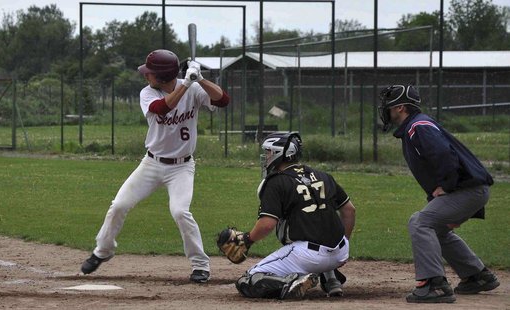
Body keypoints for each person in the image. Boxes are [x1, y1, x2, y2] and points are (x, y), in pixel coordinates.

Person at [80, 49, 230, 283]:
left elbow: (223, 100)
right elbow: (163, 108)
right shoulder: (147, 93)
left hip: (182, 167)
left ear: (161, 76)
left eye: (149, 73)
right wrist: (187, 84)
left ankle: (200, 265)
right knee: (119, 205)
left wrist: (200, 79)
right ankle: (103, 251)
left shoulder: (192, 86)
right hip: (151, 164)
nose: (145, 75)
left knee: (180, 212)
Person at [378, 84, 499, 303]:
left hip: (466, 190)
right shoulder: (416, 126)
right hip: (469, 190)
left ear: (401, 108)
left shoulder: (418, 127)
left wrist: (448, 186)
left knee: (420, 222)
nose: (386, 110)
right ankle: (476, 276)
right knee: (436, 229)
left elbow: (444, 155)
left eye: (390, 107)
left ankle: (435, 285)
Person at [233, 132, 356, 300]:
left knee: (248, 280)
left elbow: (267, 224)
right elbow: (349, 210)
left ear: (279, 153)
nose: (265, 156)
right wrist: (344, 244)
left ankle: (291, 281)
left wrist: (248, 239)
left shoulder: (276, 181)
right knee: (319, 223)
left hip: (307, 255)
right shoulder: (323, 175)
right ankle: (330, 277)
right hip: (341, 252)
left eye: (268, 152)